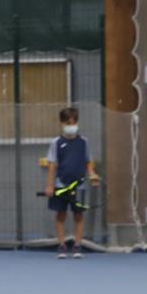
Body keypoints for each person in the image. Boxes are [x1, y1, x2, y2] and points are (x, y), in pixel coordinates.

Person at [39, 105, 98, 258]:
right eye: (67, 123)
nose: (70, 126)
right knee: (61, 215)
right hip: (60, 185)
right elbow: (52, 165)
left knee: (78, 215)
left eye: (73, 123)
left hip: (80, 186)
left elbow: (89, 161)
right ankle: (62, 245)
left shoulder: (84, 142)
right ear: (61, 123)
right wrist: (50, 185)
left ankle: (77, 245)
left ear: (77, 123)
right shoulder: (56, 142)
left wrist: (92, 174)